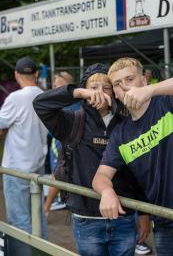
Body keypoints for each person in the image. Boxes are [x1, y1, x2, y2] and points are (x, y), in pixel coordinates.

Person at [33, 63, 150, 256]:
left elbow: (138, 169)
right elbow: (40, 104)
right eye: (93, 87)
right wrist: (78, 93)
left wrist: (144, 214)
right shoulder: (71, 121)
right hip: (85, 219)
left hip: (124, 217)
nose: (100, 93)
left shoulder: (127, 123)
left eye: (106, 87)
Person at [92, 57, 173, 255]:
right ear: (115, 94)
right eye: (117, 84)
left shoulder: (167, 103)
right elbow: (100, 176)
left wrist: (151, 90)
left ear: (143, 81)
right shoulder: (120, 134)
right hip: (161, 223)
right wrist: (107, 192)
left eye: (129, 79)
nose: (124, 87)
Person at [0, 56, 49, 255]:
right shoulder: (44, 95)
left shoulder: (15, 98)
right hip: (37, 166)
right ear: (36, 74)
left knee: (19, 221)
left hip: (16, 169)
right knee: (38, 218)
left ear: (16, 74)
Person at [45, 71, 80, 215]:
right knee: (61, 172)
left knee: (59, 172)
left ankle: (46, 208)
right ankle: (53, 204)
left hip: (64, 142)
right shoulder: (63, 101)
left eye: (58, 84)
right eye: (54, 85)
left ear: (67, 83)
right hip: (61, 140)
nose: (55, 87)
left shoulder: (76, 100)